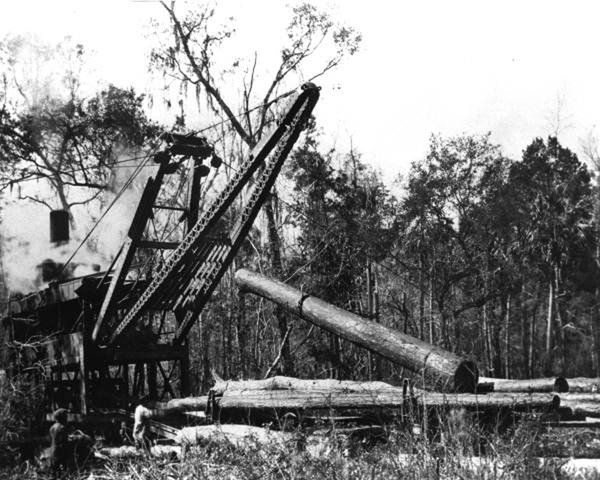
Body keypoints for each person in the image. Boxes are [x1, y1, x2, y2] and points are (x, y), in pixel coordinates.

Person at [49, 408, 69, 474]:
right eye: (66, 416)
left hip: (52, 452)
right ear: (62, 417)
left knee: (54, 473)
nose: (67, 418)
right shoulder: (62, 427)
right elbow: (64, 441)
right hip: (61, 453)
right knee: (63, 472)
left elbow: (52, 439)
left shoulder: (52, 427)